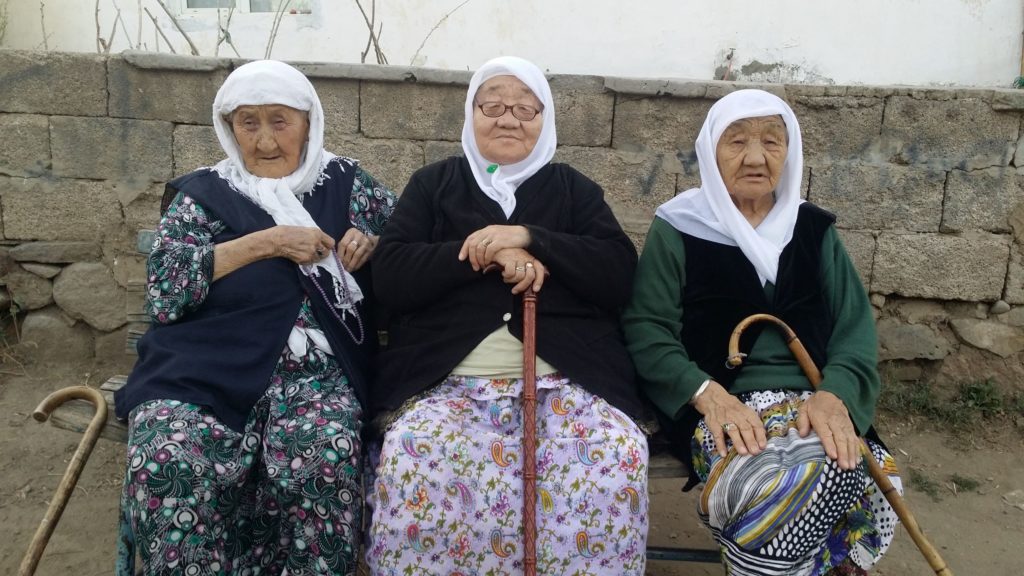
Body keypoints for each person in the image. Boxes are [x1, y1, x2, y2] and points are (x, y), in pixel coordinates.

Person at [365, 56, 649, 575]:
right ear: (471, 114)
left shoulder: (572, 189)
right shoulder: (434, 184)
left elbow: (616, 272)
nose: (509, 119)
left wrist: (531, 237)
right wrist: (484, 253)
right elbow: (392, 275)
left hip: (566, 382)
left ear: (545, 121)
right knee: (415, 453)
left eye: (525, 108)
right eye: (492, 105)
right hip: (446, 385)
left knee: (614, 454)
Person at [113, 60, 396, 576]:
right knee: (170, 456)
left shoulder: (347, 183)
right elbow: (166, 290)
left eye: (280, 121)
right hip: (203, 368)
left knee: (321, 457)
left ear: (309, 123)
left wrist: (376, 244)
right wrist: (267, 243)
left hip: (317, 375)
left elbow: (408, 246)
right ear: (229, 128)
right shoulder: (204, 194)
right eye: (249, 123)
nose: (265, 141)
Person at [622, 89, 902, 576]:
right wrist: (707, 395)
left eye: (772, 142)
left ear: (789, 151)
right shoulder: (679, 228)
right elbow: (648, 329)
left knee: (857, 470)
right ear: (711, 151)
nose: (755, 157)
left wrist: (835, 396)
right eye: (737, 142)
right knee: (770, 482)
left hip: (817, 402)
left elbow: (854, 328)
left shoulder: (814, 230)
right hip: (721, 405)